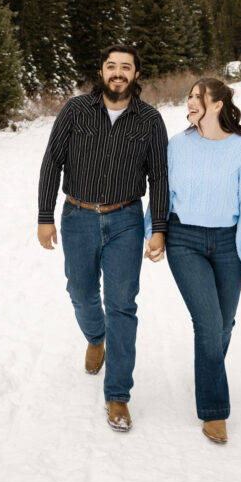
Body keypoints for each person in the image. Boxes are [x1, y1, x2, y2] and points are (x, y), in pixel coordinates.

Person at [38, 45, 168, 433]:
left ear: (136, 75)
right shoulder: (76, 111)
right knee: (79, 291)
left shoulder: (150, 120)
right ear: (101, 71)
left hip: (126, 218)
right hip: (77, 215)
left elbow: (160, 177)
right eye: (111, 65)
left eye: (125, 67)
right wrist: (45, 216)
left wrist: (157, 227)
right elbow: (52, 161)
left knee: (123, 306)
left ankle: (118, 396)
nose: (117, 72)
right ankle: (96, 337)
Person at [146, 77, 241, 445]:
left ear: (218, 104)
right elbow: (161, 191)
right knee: (207, 322)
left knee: (224, 323)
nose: (190, 103)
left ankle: (207, 369)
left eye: (197, 97)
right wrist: (153, 233)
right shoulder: (178, 145)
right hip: (183, 239)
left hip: (227, 243)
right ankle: (214, 411)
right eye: (189, 97)